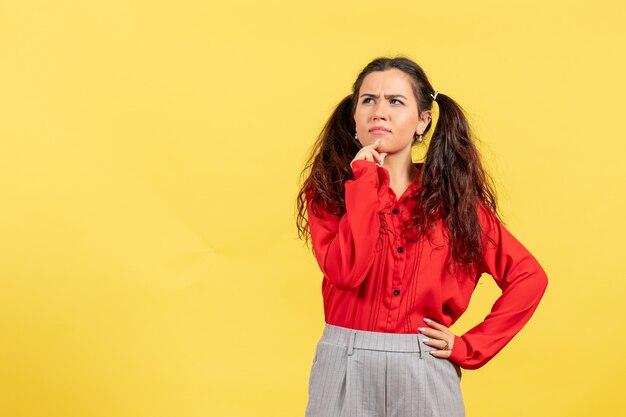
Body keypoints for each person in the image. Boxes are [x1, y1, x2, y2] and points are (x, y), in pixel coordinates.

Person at [295, 56, 548, 417]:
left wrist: (469, 347)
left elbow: (528, 276)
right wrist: (365, 178)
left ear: (423, 120)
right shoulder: (330, 191)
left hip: (424, 364)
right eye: (368, 100)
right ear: (354, 117)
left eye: (395, 101)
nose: (379, 112)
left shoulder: (454, 201)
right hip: (344, 362)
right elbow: (346, 271)